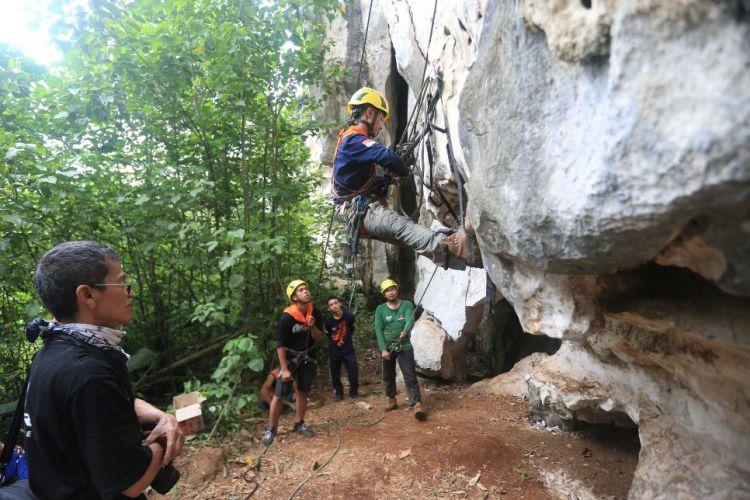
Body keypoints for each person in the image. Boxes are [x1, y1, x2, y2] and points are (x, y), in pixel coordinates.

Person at [22, 241, 184, 499]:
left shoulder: (57, 349)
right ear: (87, 295)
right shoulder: (87, 373)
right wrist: (163, 441)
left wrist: (160, 417)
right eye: (121, 283)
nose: (130, 292)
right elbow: (129, 483)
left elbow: (108, 405)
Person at [332, 87, 481, 269]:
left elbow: (360, 183)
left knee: (412, 239)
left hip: (359, 215)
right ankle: (456, 246)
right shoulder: (353, 139)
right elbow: (388, 157)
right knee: (403, 227)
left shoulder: (351, 143)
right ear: (369, 113)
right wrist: (404, 175)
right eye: (380, 118)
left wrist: (385, 180)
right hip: (362, 213)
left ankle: (470, 257)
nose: (380, 126)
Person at [261, 280, 324, 446]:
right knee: (279, 394)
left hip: (308, 356)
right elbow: (280, 345)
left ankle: (299, 423)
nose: (306, 292)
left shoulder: (314, 312)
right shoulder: (287, 317)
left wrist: (312, 327)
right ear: (294, 297)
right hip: (289, 359)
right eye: (301, 290)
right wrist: (284, 369)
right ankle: (271, 429)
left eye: (306, 289)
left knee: (303, 391)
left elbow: (319, 337)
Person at [374, 278, 426, 420]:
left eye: (392, 289)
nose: (390, 292)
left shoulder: (407, 305)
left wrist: (406, 331)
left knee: (409, 374)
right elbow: (378, 329)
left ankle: (416, 403)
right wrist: (383, 349)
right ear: (384, 294)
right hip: (389, 346)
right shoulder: (380, 309)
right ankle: (391, 399)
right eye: (387, 291)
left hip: (404, 344)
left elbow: (410, 319)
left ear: (396, 290)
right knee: (388, 375)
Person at [324, 295, 359, 400]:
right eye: (331, 305)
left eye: (335, 303)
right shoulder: (328, 322)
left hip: (348, 350)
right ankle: (339, 393)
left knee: (353, 371)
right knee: (335, 374)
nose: (334, 306)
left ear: (340, 304)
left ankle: (354, 392)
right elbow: (328, 334)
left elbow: (352, 329)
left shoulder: (349, 316)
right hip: (334, 351)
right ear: (329, 309)